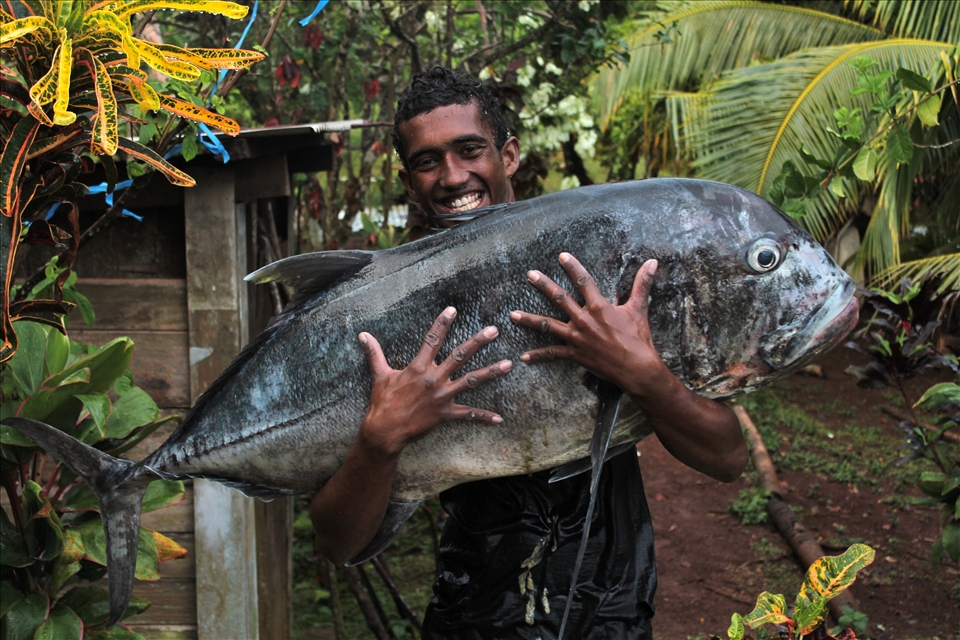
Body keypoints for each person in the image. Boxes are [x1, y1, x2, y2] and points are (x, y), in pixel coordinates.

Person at [310, 67, 748, 639]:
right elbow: (338, 543)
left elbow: (727, 459)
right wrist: (379, 439)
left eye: (470, 150)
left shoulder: (590, 271)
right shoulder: (389, 312)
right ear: (408, 180)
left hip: (613, 613)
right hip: (475, 618)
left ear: (508, 155)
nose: (453, 175)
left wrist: (644, 375)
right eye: (427, 161)